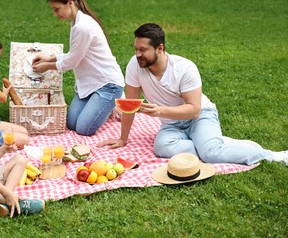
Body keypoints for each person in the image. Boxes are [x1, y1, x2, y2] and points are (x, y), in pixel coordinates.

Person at [99, 23, 288, 166]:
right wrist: (123, 139)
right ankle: (211, 142)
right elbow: (131, 103)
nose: (137, 54)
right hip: (172, 123)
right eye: (136, 49)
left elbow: (194, 110)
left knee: (211, 154)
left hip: (201, 116)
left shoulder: (185, 68)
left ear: (160, 48)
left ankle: (273, 155)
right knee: (161, 148)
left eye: (143, 50)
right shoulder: (136, 64)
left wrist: (160, 111)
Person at [32, 0, 125, 136]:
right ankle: (100, 105)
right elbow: (75, 54)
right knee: (71, 123)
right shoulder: (75, 22)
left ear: (69, 2)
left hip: (108, 85)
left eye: (56, 9)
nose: (55, 14)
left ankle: (114, 101)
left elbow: (72, 62)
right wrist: (50, 58)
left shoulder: (83, 26)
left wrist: (46, 66)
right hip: (90, 84)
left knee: (83, 129)